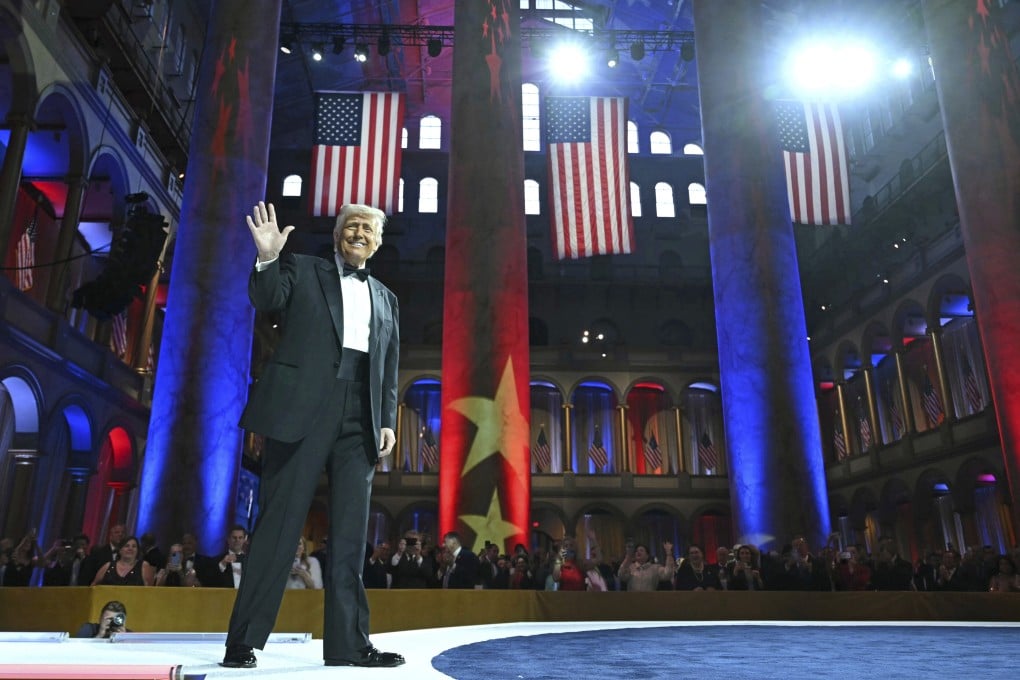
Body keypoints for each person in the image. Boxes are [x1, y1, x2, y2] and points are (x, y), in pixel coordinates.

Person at [222, 202, 402, 670]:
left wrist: (386, 419)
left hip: (359, 417)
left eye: (368, 228)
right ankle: (243, 642)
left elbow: (388, 369)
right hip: (302, 407)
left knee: (349, 537)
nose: (359, 232)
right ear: (338, 235)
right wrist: (266, 257)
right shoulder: (302, 269)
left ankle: (349, 644)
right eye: (351, 226)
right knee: (278, 527)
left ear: (378, 242)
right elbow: (266, 299)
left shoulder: (386, 298)